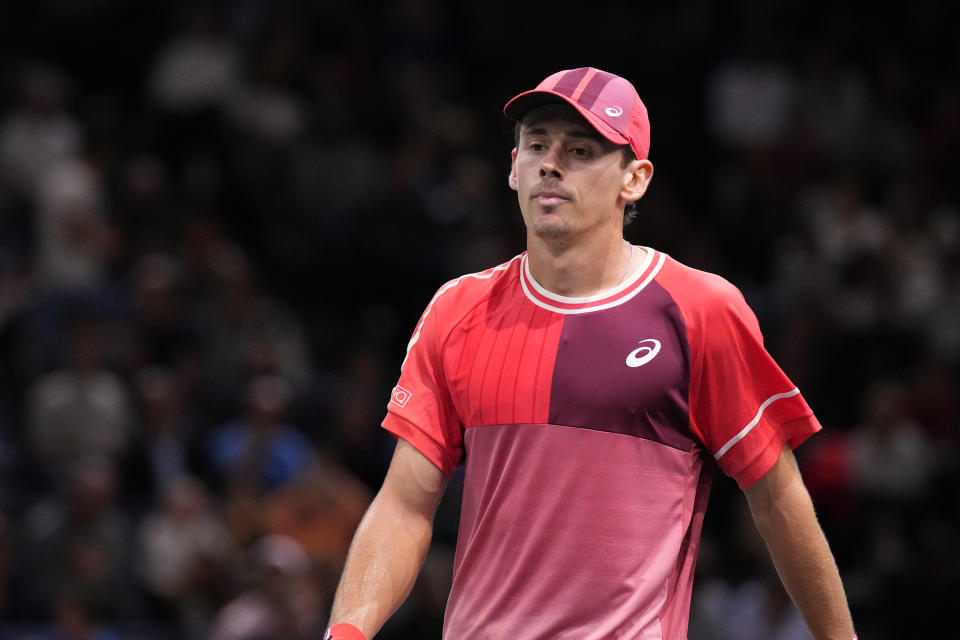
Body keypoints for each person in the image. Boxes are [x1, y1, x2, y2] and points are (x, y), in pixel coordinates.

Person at [325, 67, 857, 640]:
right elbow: (404, 507)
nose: (549, 164)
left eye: (581, 150)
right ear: (512, 167)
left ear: (635, 179)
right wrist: (347, 632)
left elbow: (778, 503)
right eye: (535, 146)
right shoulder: (458, 309)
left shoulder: (699, 310)